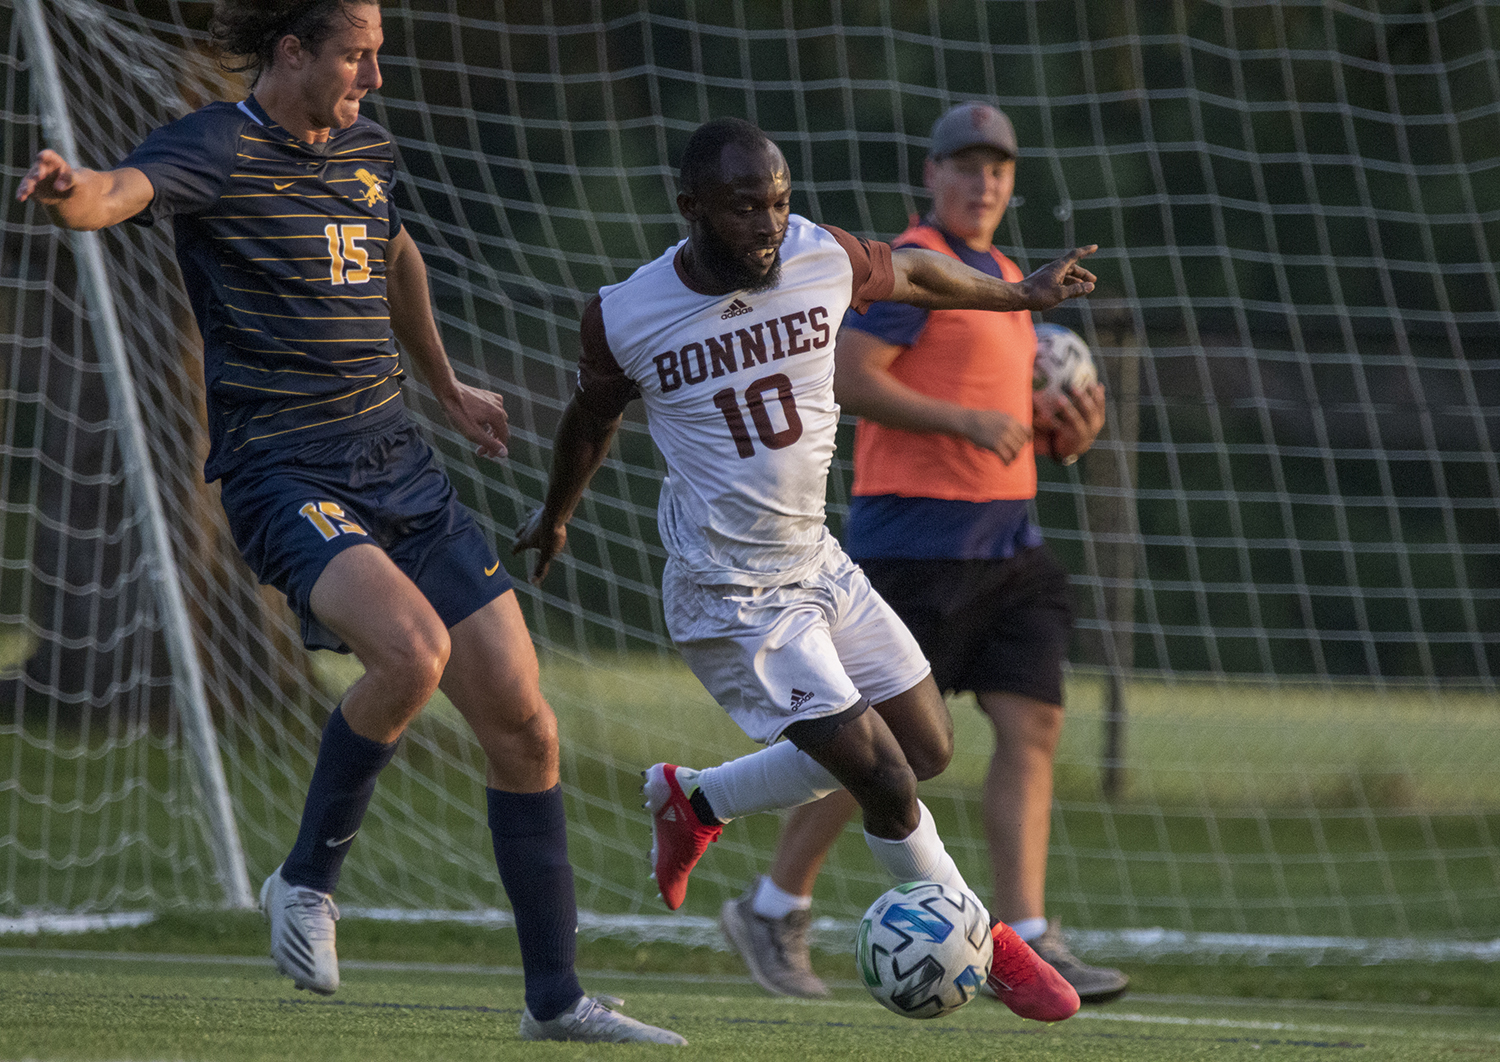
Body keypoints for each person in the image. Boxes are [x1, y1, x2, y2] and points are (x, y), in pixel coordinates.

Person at [16, 0, 682, 1045]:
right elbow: (118, 191)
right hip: (282, 473)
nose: (374, 75)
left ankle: (556, 1000)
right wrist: (69, 195)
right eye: (357, 56)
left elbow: (396, 251)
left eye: (376, 55)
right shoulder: (216, 145)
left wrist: (450, 388)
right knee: (410, 655)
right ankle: (305, 881)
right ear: (293, 53)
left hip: (398, 465)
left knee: (523, 720)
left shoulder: (366, 147)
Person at [515, 116, 1097, 1024]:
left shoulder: (819, 254)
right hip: (732, 597)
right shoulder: (626, 312)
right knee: (885, 783)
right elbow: (590, 420)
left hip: (821, 565)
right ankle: (993, 946)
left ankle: (696, 798)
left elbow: (915, 271)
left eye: (779, 204)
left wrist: (1017, 294)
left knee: (927, 750)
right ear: (692, 209)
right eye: (746, 207)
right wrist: (555, 517)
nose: (768, 226)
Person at [717, 102, 1130, 1005]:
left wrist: (1055, 430)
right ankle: (773, 905)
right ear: (931, 175)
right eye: (966, 165)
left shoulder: (1010, 276)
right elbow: (852, 377)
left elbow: (1009, 416)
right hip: (917, 540)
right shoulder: (915, 268)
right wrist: (969, 421)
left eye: (998, 168)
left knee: (1034, 724)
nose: (983, 181)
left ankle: (1027, 931)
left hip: (1009, 540)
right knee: (880, 748)